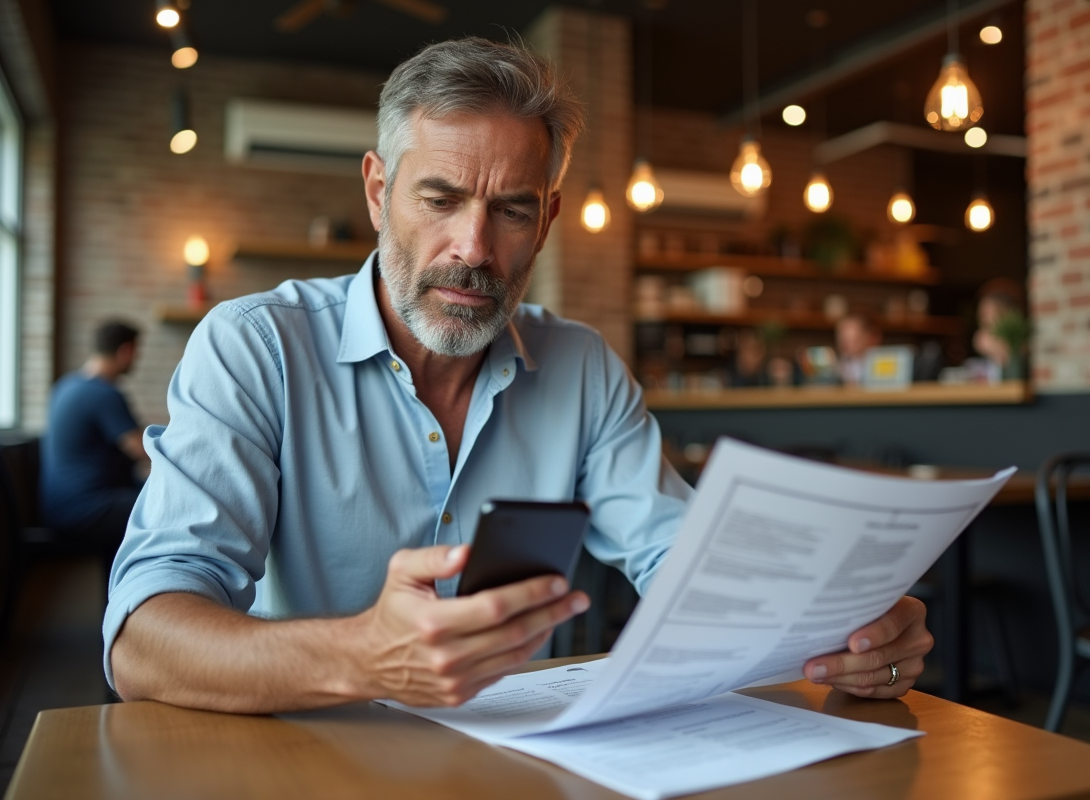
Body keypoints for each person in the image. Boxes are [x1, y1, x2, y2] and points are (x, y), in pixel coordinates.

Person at [107, 38, 932, 714]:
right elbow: (143, 641)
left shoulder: (581, 369)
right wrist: (365, 656)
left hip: (515, 762)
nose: (475, 247)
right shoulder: (254, 349)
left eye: (512, 210)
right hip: (295, 756)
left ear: (548, 223)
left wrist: (842, 625)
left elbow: (688, 568)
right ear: (377, 190)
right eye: (440, 198)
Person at [40, 320, 149, 554]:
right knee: (165, 507)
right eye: (136, 353)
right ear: (125, 351)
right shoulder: (104, 393)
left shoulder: (65, 385)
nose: (136, 360)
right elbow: (142, 450)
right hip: (85, 509)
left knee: (146, 494)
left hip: (57, 506)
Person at [835, 309, 883, 385]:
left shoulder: (883, 364)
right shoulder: (836, 367)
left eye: (854, 339)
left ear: (872, 336)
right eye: (843, 339)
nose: (845, 345)